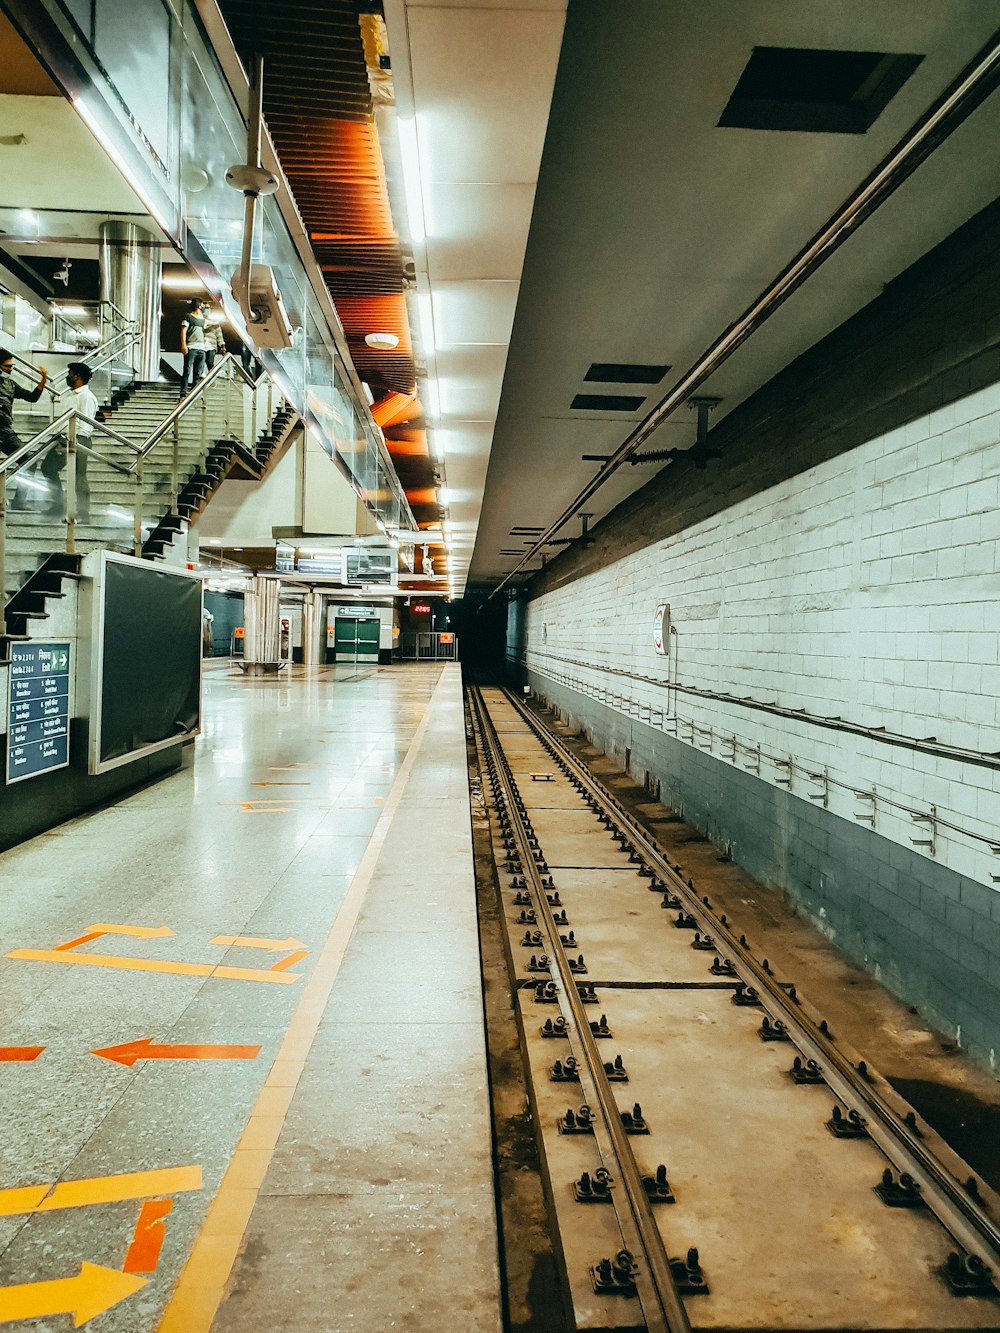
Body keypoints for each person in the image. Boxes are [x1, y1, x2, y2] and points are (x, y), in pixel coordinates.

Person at [40, 361, 96, 520]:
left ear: (78, 376)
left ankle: (84, 513)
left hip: (79, 440)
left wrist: (74, 440)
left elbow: (86, 425)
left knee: (79, 476)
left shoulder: (86, 397)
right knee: (48, 468)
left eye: (70, 374)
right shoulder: (72, 395)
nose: (67, 377)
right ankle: (58, 505)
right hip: (63, 439)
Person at [1, 347, 48, 510]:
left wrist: (43, 379)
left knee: (28, 460)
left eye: (12, 366)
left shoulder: (10, 384)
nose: (11, 369)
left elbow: (32, 397)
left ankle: (19, 501)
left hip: (6, 433)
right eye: (7, 366)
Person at [179, 298, 207, 397]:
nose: (203, 306)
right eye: (202, 304)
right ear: (199, 305)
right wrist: (183, 345)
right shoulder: (188, 317)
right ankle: (183, 393)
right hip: (191, 347)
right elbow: (183, 331)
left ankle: (194, 394)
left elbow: (208, 317)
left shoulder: (203, 319)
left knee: (198, 373)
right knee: (187, 371)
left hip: (202, 348)